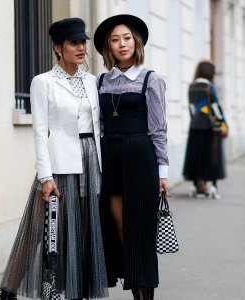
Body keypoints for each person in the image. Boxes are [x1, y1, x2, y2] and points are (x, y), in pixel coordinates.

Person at [0, 18, 108, 300]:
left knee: (82, 227)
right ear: (58, 48)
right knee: (37, 228)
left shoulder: (93, 81)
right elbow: (39, 132)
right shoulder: (43, 82)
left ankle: (74, 290)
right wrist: (46, 177)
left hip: (91, 161)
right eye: (74, 43)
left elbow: (99, 125)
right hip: (59, 162)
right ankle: (8, 289)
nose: (82, 47)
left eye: (83, 41)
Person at [93, 14, 170, 300]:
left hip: (140, 158)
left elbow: (159, 130)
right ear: (108, 47)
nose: (121, 44)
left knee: (140, 233)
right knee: (118, 230)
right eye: (115, 40)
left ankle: (143, 296)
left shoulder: (150, 79)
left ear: (135, 42)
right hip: (110, 159)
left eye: (126, 38)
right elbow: (97, 123)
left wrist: (162, 173)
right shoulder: (101, 81)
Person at [183, 60, 228, 199]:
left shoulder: (191, 86)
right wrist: (224, 124)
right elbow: (216, 108)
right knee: (212, 157)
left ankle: (197, 187)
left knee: (196, 156)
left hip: (195, 127)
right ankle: (213, 186)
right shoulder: (210, 87)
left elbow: (191, 108)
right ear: (209, 72)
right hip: (210, 128)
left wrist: (195, 119)